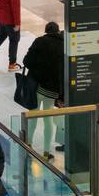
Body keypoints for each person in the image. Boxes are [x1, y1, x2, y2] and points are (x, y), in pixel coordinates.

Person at [22, 21, 65, 160]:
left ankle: (28, 146)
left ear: (46, 31)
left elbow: (26, 61)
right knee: (48, 120)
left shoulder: (39, 42)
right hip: (52, 90)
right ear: (58, 32)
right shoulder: (63, 45)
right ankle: (46, 152)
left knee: (33, 116)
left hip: (36, 86)